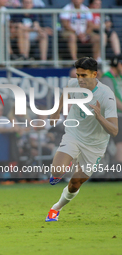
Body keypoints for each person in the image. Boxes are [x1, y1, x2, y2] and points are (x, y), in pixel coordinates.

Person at [45, 57, 118, 222]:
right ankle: (67, 162)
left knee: (75, 184)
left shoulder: (106, 95)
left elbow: (114, 130)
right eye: (78, 75)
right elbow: (65, 92)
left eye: (84, 75)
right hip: (74, 134)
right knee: (56, 171)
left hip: (95, 145)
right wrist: (56, 111)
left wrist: (99, 117)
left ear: (94, 74)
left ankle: (56, 208)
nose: (79, 79)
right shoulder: (74, 84)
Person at [100, 54, 122, 170]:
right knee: (120, 141)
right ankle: (118, 170)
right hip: (114, 116)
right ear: (118, 64)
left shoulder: (118, 77)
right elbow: (111, 98)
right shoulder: (107, 77)